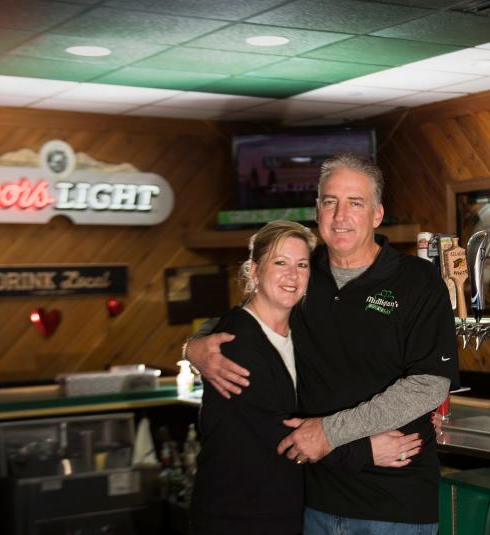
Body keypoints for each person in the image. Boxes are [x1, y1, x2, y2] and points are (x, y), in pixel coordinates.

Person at [186, 154, 459, 534]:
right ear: (317, 211)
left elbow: (427, 385)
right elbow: (247, 321)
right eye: (330, 202)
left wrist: (331, 432)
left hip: (394, 502)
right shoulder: (302, 274)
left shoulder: (416, 280)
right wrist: (196, 345)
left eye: (355, 203)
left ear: (377, 214)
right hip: (312, 498)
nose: (340, 215)